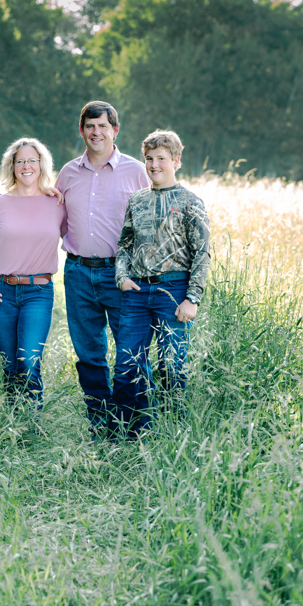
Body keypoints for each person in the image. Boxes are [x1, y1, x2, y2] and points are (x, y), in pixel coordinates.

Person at [55, 100, 149, 437]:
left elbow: (149, 225)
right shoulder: (67, 173)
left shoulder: (137, 171)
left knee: (130, 351)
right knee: (89, 354)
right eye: (90, 126)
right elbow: (56, 221)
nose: (96, 132)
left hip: (123, 276)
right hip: (78, 271)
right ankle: (101, 423)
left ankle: (134, 425)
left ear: (115, 130)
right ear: (82, 131)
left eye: (103, 126)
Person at [114, 129, 210, 436]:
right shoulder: (137, 200)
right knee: (128, 365)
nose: (154, 165)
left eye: (161, 159)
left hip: (175, 290)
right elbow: (125, 244)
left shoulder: (190, 201)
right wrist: (121, 277)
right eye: (149, 159)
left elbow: (202, 252)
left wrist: (192, 298)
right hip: (138, 292)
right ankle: (133, 433)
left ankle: (173, 434)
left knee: (171, 366)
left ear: (176, 161)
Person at [0, 137, 66, 407]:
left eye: (31, 160)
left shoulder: (58, 203)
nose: (26, 166)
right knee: (10, 365)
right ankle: (12, 422)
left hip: (38, 292)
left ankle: (32, 424)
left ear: (41, 164)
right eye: (20, 161)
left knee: (28, 360)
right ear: (12, 166)